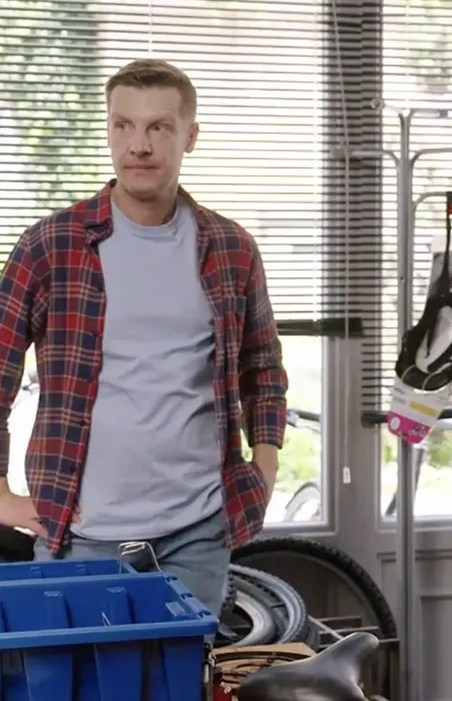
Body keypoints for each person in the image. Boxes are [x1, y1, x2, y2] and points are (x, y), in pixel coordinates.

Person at [0, 59, 287, 616]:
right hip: (81, 534)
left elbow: (263, 370)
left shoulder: (232, 248)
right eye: (123, 125)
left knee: (184, 668)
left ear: (190, 137)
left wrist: (266, 466)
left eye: (159, 127)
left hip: (198, 533)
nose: (139, 145)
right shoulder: (51, 246)